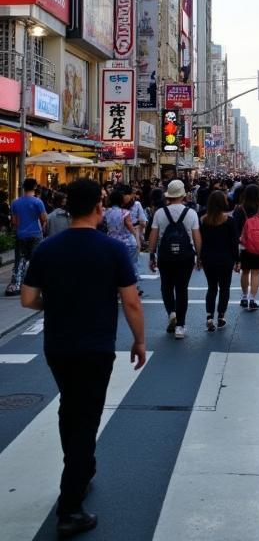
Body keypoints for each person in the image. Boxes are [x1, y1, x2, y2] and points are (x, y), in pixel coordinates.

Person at [20, 179, 146, 538]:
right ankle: (70, 506)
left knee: (70, 408)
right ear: (97, 207)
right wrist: (139, 341)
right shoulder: (111, 250)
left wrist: (56, 304)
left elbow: (28, 299)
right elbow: (132, 301)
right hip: (96, 345)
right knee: (86, 418)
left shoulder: (47, 248)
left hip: (58, 344)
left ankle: (81, 468)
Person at [148, 180, 201, 338]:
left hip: (165, 255)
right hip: (186, 256)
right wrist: (199, 256)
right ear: (183, 195)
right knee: (182, 289)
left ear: (169, 195)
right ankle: (180, 326)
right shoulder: (191, 213)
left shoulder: (159, 213)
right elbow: (197, 237)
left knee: (166, 286)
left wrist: (152, 255)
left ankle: (171, 312)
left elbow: (153, 236)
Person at [198, 190, 239, 331]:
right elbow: (234, 243)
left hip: (208, 258)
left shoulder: (203, 220)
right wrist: (238, 260)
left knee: (211, 288)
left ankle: (209, 316)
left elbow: (200, 241)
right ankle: (221, 316)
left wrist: (199, 257)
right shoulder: (230, 221)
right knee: (224, 288)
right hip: (226, 259)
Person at [233, 184, 259, 311]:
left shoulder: (239, 209)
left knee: (245, 271)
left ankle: (244, 297)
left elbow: (234, 228)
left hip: (244, 245)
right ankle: (252, 299)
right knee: (255, 273)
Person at [7, 177, 47, 295]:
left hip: (21, 234)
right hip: (35, 234)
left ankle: (16, 284)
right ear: (35, 187)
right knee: (35, 260)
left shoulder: (15, 202)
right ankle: (34, 285)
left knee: (19, 260)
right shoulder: (38, 202)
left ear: (23, 187)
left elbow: (14, 222)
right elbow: (44, 218)